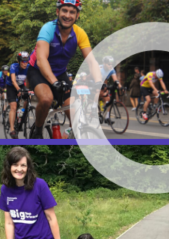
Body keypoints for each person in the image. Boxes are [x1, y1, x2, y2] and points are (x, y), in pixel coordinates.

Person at [28, 0, 102, 139]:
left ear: (77, 15)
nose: (68, 15)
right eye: (64, 11)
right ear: (57, 12)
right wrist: (55, 82)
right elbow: (41, 59)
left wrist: (99, 82)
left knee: (76, 113)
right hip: (38, 71)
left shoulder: (79, 33)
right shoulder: (48, 28)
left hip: (60, 73)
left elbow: (91, 60)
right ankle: (37, 131)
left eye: (72, 12)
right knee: (46, 99)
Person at [0, 147, 63, 239]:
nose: (19, 169)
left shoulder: (40, 185)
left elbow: (51, 218)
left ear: (28, 167)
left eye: (23, 165)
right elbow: (9, 223)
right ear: (9, 166)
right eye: (15, 165)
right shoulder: (5, 189)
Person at [7, 51, 30, 139]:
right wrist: (18, 90)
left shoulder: (28, 67)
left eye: (26, 61)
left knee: (28, 99)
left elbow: (28, 80)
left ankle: (22, 116)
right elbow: (13, 80)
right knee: (13, 106)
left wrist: (27, 90)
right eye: (23, 61)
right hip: (11, 87)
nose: (25, 63)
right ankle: (12, 129)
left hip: (21, 85)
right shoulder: (13, 66)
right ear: (19, 61)